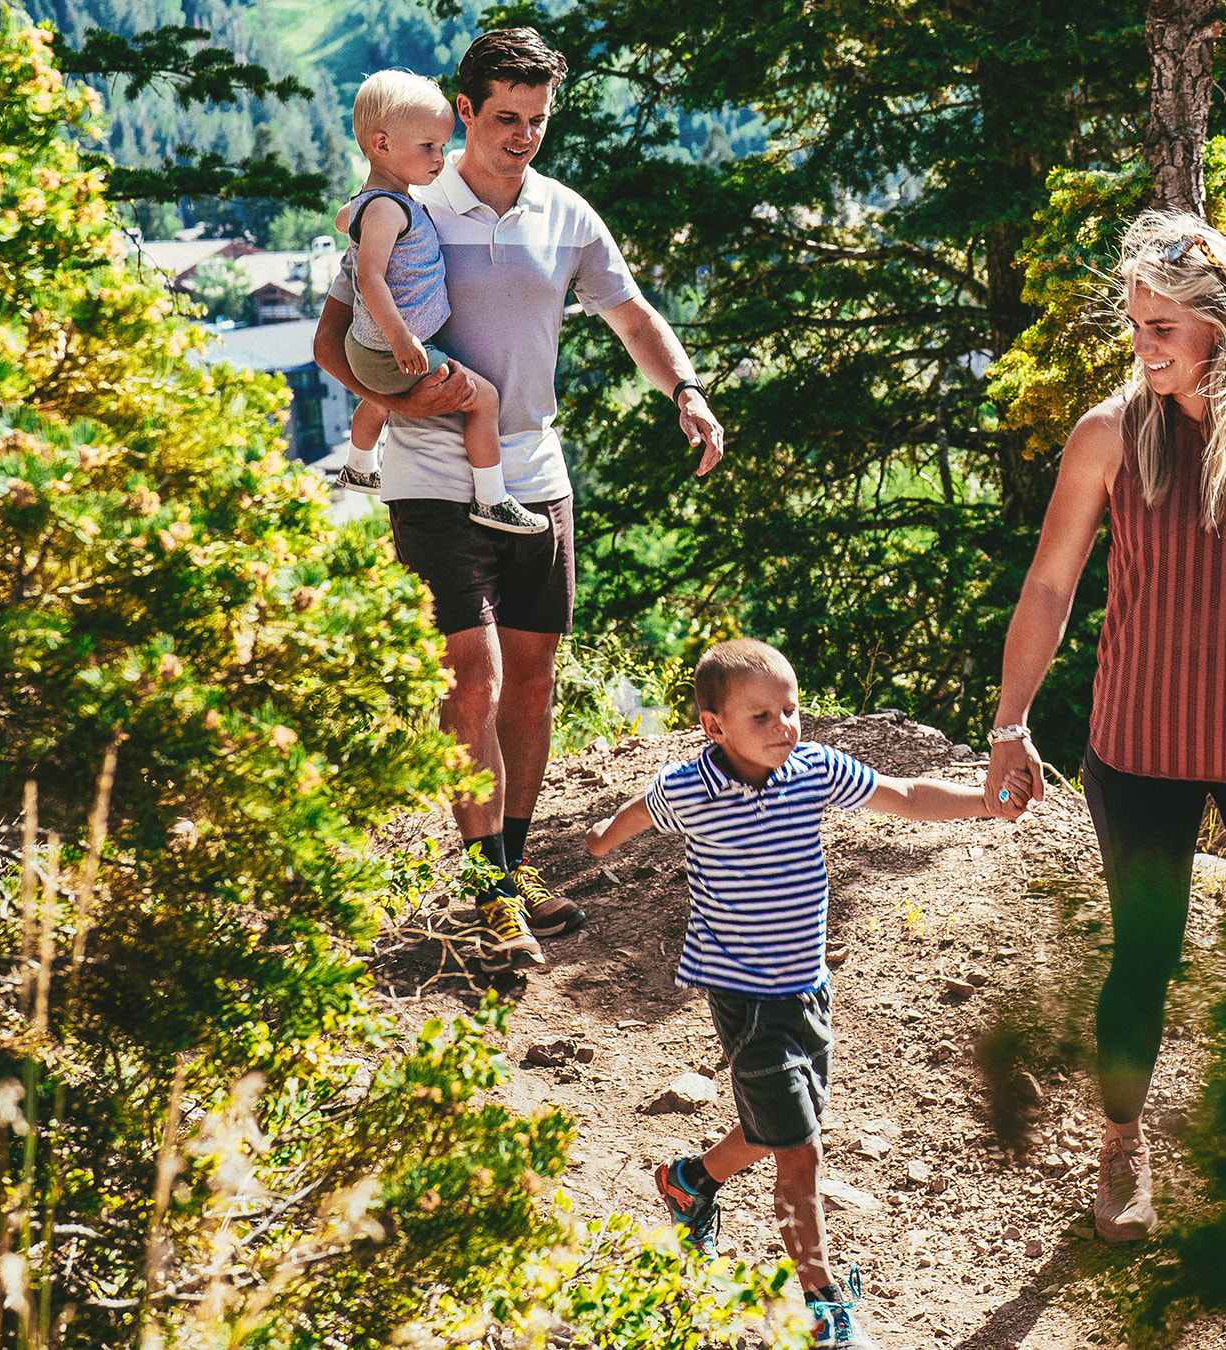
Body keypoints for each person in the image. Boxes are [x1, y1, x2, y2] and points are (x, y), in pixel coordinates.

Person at [313, 28, 725, 968]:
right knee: (476, 676)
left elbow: (631, 315)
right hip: (429, 477)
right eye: (505, 118)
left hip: (537, 475)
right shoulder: (409, 205)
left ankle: (511, 867)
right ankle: (486, 889)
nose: (524, 136)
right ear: (463, 111)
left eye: (538, 120)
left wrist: (687, 393)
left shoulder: (565, 214)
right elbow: (331, 340)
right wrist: (395, 399)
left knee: (532, 686)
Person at [980, 211, 1226, 1251]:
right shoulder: (1107, 433)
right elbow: (1051, 585)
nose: (1142, 346)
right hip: (1140, 736)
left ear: (1221, 329)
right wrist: (1011, 725)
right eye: (1136, 326)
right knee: (1146, 954)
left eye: (1163, 329)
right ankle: (1121, 1148)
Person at [584, 639, 1030, 1350]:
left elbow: (907, 797)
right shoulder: (691, 788)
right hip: (744, 999)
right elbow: (642, 809)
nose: (784, 726)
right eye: (761, 715)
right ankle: (823, 1308)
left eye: (789, 709)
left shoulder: (814, 770)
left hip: (807, 992)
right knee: (801, 1150)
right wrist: (602, 839)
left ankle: (688, 1180)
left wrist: (985, 800)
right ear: (714, 727)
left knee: (773, 1129)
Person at [329, 69, 544, 537]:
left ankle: (360, 465)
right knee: (483, 399)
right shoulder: (390, 208)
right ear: (381, 146)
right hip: (390, 348)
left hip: (366, 352)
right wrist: (402, 337)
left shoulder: (372, 202)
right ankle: (492, 498)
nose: (440, 159)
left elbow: (345, 220)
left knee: (382, 401)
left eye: (443, 147)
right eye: (428, 147)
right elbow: (369, 278)